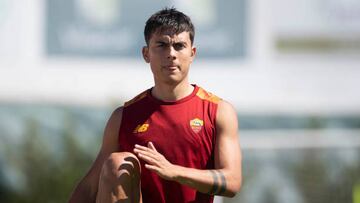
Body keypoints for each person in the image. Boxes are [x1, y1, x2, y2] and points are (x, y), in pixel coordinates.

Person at [68, 7, 242, 203]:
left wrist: (173, 171)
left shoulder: (218, 111)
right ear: (146, 53)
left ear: (192, 53)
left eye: (179, 46)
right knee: (118, 164)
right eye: (161, 45)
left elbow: (232, 182)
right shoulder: (123, 117)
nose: (171, 54)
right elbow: (90, 186)